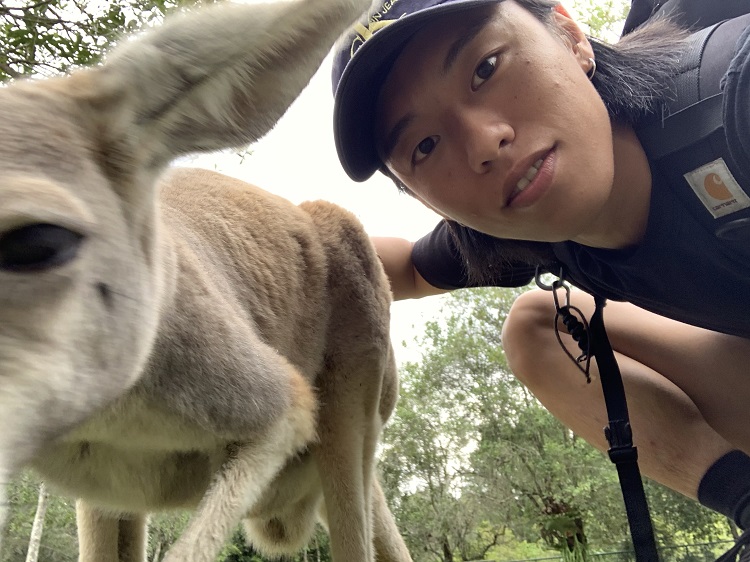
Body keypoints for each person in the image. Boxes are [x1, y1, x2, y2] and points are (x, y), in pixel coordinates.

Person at [330, 0, 750, 533]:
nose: (484, 143)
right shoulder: (531, 228)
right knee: (538, 326)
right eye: (426, 145)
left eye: (486, 68)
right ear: (426, 200)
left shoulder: (734, 100)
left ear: (571, 35)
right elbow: (400, 271)